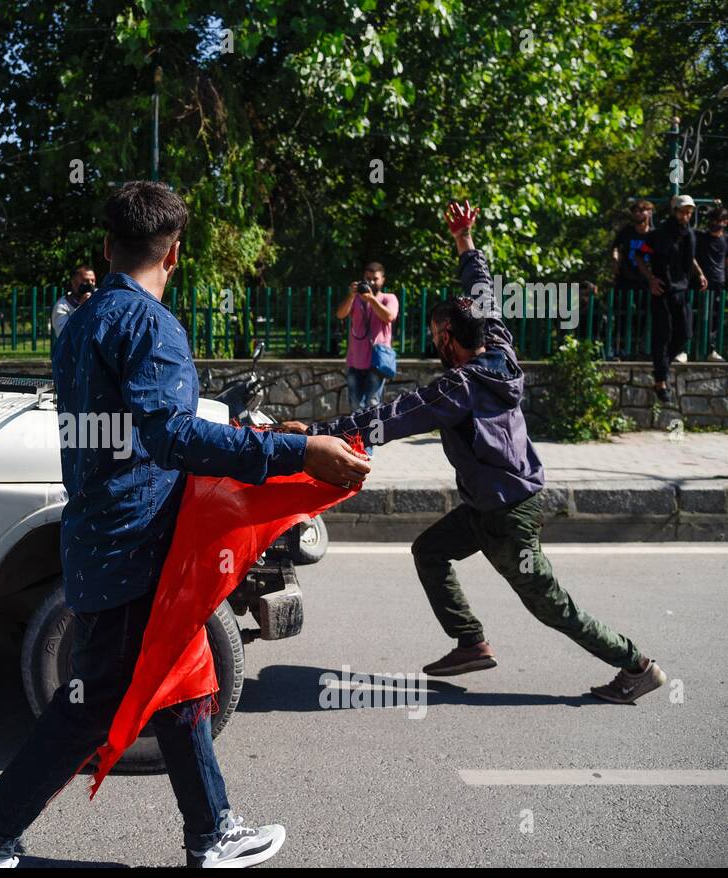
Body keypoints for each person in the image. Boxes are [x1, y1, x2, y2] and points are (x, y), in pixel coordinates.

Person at [0, 181, 370, 869]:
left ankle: (210, 831)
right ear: (175, 253)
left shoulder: (79, 321)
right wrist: (297, 450)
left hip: (104, 536)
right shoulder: (150, 325)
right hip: (135, 548)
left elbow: (140, 434)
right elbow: (172, 437)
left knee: (182, 676)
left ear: (108, 248)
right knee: (91, 705)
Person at [280, 201, 667, 705]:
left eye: (436, 335)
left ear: (447, 339)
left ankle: (637, 665)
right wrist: (464, 239)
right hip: (488, 505)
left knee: (552, 606)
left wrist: (310, 433)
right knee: (430, 550)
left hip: (508, 515)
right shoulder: (500, 348)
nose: (433, 340)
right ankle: (470, 641)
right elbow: (482, 289)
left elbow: (385, 419)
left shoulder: (458, 386)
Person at [636, 195, 707, 400]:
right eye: (683, 211)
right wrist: (651, 279)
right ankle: (660, 382)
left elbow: (690, 257)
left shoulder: (689, 235)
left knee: (685, 333)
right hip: (663, 291)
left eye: (689, 212)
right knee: (662, 335)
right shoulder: (658, 236)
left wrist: (700, 273)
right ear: (674, 211)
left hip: (681, 290)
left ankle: (662, 368)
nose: (686, 215)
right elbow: (640, 255)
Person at [334, 262, 398, 410]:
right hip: (354, 361)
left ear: (383, 280)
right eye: (367, 278)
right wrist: (351, 295)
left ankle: (375, 433)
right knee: (355, 404)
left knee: (373, 404)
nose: (371, 282)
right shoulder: (355, 299)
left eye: (375, 279)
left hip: (377, 361)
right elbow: (340, 314)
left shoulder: (389, 298)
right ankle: (357, 434)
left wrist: (371, 299)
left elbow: (389, 316)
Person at [610, 200, 655, 362]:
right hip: (626, 278)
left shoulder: (653, 235)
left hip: (646, 281)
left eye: (642, 210)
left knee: (644, 317)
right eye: (635, 211)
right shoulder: (627, 232)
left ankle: (641, 350)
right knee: (622, 314)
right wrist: (615, 262)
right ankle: (619, 350)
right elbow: (615, 247)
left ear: (650, 213)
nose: (638, 213)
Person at [694, 205, 726, 362]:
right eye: (712, 220)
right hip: (699, 284)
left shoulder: (725, 240)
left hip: (718, 284)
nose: (715, 223)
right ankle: (686, 349)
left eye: (718, 220)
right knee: (693, 316)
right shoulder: (700, 237)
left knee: (715, 319)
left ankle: (711, 350)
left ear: (725, 222)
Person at [50, 264, 97, 337]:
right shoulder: (62, 307)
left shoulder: (98, 299)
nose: (90, 284)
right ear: (74, 282)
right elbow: (64, 335)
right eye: (86, 281)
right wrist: (82, 308)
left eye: (93, 281)